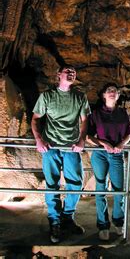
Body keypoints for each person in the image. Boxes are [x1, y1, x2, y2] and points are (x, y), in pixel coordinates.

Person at [31, 65, 90, 244]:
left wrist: (82, 140)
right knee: (52, 183)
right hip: (51, 147)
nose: (71, 73)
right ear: (59, 75)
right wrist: (39, 139)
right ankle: (54, 220)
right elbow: (35, 119)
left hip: (71, 146)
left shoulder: (80, 96)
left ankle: (67, 216)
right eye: (67, 71)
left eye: (73, 71)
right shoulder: (48, 96)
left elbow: (85, 120)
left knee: (76, 183)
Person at [87, 83, 130, 241]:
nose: (112, 93)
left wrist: (121, 144)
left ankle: (118, 221)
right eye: (109, 91)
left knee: (119, 189)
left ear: (118, 96)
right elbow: (88, 136)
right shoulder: (96, 113)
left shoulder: (123, 113)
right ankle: (103, 225)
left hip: (116, 154)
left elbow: (128, 134)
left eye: (115, 91)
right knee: (101, 188)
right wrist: (103, 143)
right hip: (100, 154)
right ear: (103, 95)